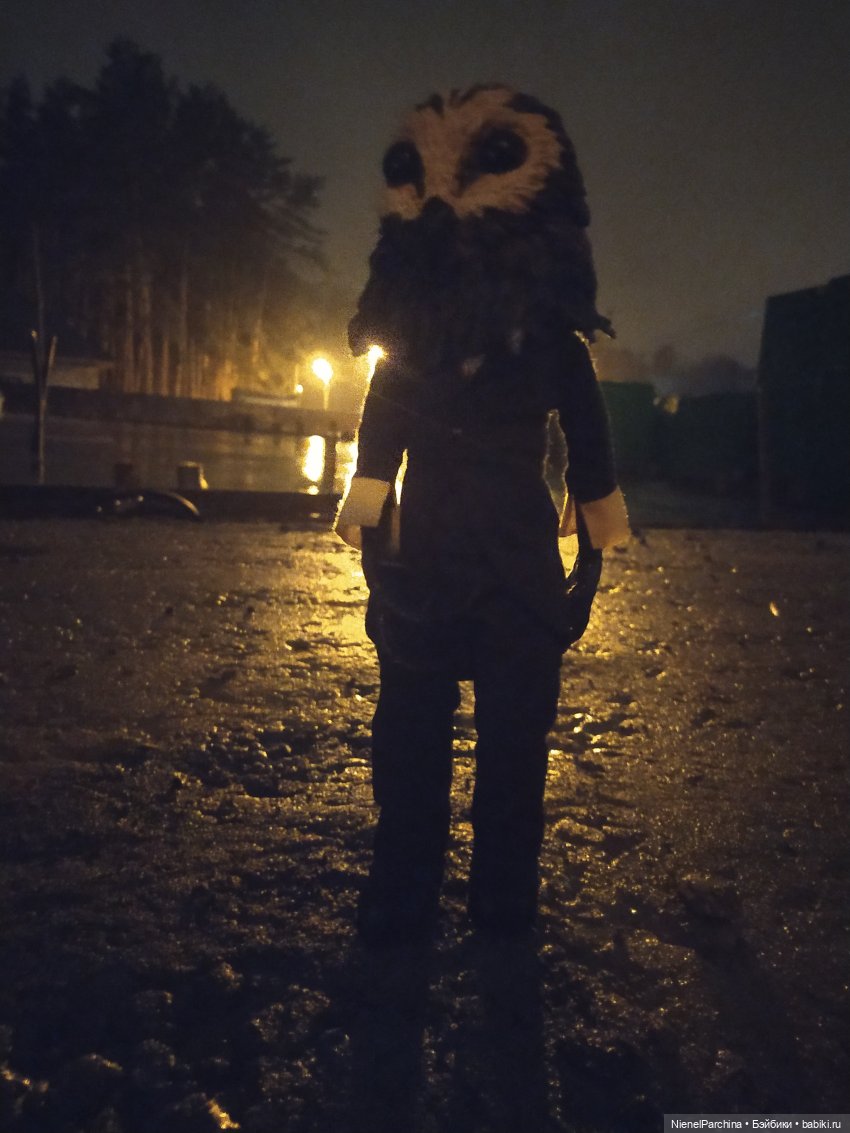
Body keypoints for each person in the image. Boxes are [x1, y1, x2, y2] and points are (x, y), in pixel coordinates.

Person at [335, 85, 630, 944]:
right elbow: (383, 430)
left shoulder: (537, 345)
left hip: (486, 565)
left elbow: (586, 437)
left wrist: (592, 525)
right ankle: (426, 888)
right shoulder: (459, 346)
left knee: (503, 741)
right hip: (467, 563)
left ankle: (476, 895)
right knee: (422, 733)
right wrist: (591, 549)